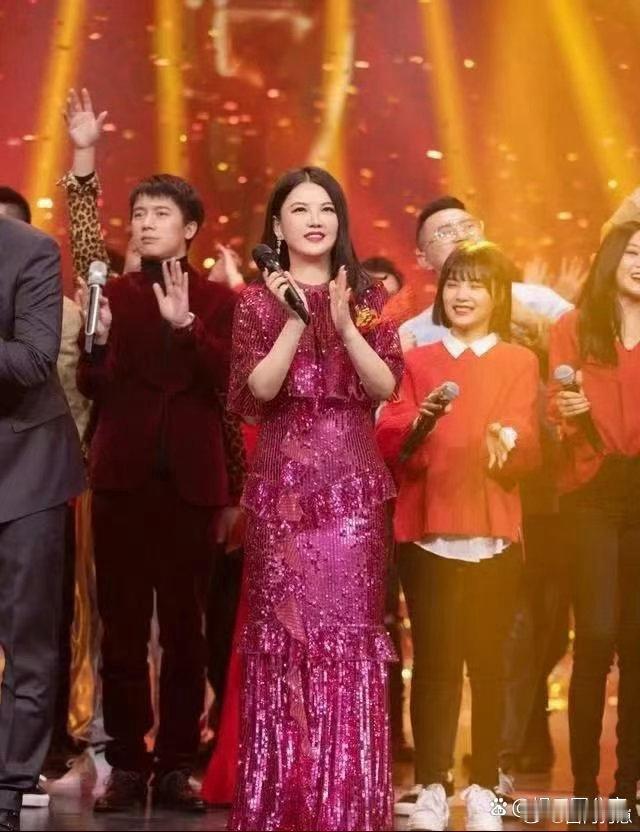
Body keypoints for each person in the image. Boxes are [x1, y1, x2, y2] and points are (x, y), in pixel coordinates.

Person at [227, 166, 403, 831]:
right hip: (283, 493)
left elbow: (385, 387)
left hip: (351, 493)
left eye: (325, 208)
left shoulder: (368, 295)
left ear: (339, 220)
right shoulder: (255, 303)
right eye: (299, 210)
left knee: (346, 642)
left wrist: (345, 325)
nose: (314, 220)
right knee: (284, 640)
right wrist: (297, 322)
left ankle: (345, 806)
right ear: (277, 226)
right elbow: (258, 392)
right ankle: (281, 803)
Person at [75, 170, 238, 814]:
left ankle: (174, 764)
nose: (144, 223)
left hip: (192, 486)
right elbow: (92, 384)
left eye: (160, 214)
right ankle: (125, 763)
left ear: (189, 228)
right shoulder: (112, 294)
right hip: (122, 478)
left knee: (185, 632)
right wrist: (98, 342)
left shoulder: (218, 299)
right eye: (138, 213)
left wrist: (185, 325)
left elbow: (229, 384)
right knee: (120, 630)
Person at [376, 241, 540, 832]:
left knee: (490, 665)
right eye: (454, 283)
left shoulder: (519, 360)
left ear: (498, 296)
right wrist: (420, 425)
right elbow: (392, 435)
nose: (463, 294)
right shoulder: (417, 359)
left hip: (493, 532)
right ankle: (432, 787)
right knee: (437, 664)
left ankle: (486, 787)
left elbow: (528, 437)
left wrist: (509, 439)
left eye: (476, 284)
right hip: (428, 532)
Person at [548, 221, 640, 821]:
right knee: (598, 635)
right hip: (592, 490)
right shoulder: (576, 326)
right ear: (611, 259)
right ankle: (584, 786)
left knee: (637, 643)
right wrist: (567, 410)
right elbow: (554, 408)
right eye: (633, 252)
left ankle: (629, 786)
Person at [0, 213, 85, 832]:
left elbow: (32, 360)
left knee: (27, 639)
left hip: (23, 468)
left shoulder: (29, 250)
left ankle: (7, 790)